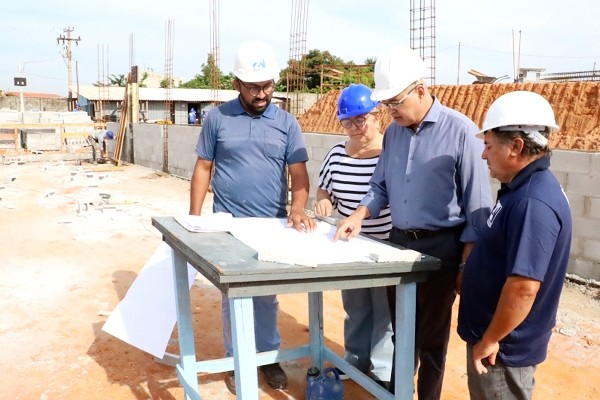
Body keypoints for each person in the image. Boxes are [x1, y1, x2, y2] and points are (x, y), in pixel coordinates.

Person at [334, 46, 493, 399]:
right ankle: (400, 390)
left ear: (420, 90)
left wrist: (465, 265)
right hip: (398, 241)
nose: (390, 112)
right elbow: (380, 185)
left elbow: (478, 208)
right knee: (400, 329)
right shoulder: (394, 134)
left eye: (395, 103)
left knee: (433, 337)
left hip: (442, 247)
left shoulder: (461, 132)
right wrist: (359, 215)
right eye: (386, 105)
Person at [189, 40, 316, 395]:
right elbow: (203, 168)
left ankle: (268, 357)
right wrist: (194, 218)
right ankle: (236, 359)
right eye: (253, 87)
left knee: (266, 296)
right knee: (234, 298)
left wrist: (297, 207)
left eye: (267, 86)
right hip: (228, 224)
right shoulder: (217, 118)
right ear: (236, 84)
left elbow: (299, 175)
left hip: (271, 224)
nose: (261, 94)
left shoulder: (287, 123)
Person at [457, 91, 572, 400]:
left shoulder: (532, 202)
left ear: (516, 147)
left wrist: (490, 340)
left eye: (488, 145)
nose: (483, 155)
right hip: (499, 344)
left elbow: (523, 288)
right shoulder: (521, 190)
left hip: (503, 352)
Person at [315, 83, 393, 387]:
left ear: (377, 117)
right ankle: (355, 360)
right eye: (348, 122)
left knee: (384, 312)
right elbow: (325, 187)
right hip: (350, 245)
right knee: (356, 306)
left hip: (385, 243)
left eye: (361, 119)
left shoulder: (389, 152)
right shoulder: (336, 153)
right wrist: (324, 199)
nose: (355, 128)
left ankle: (384, 371)